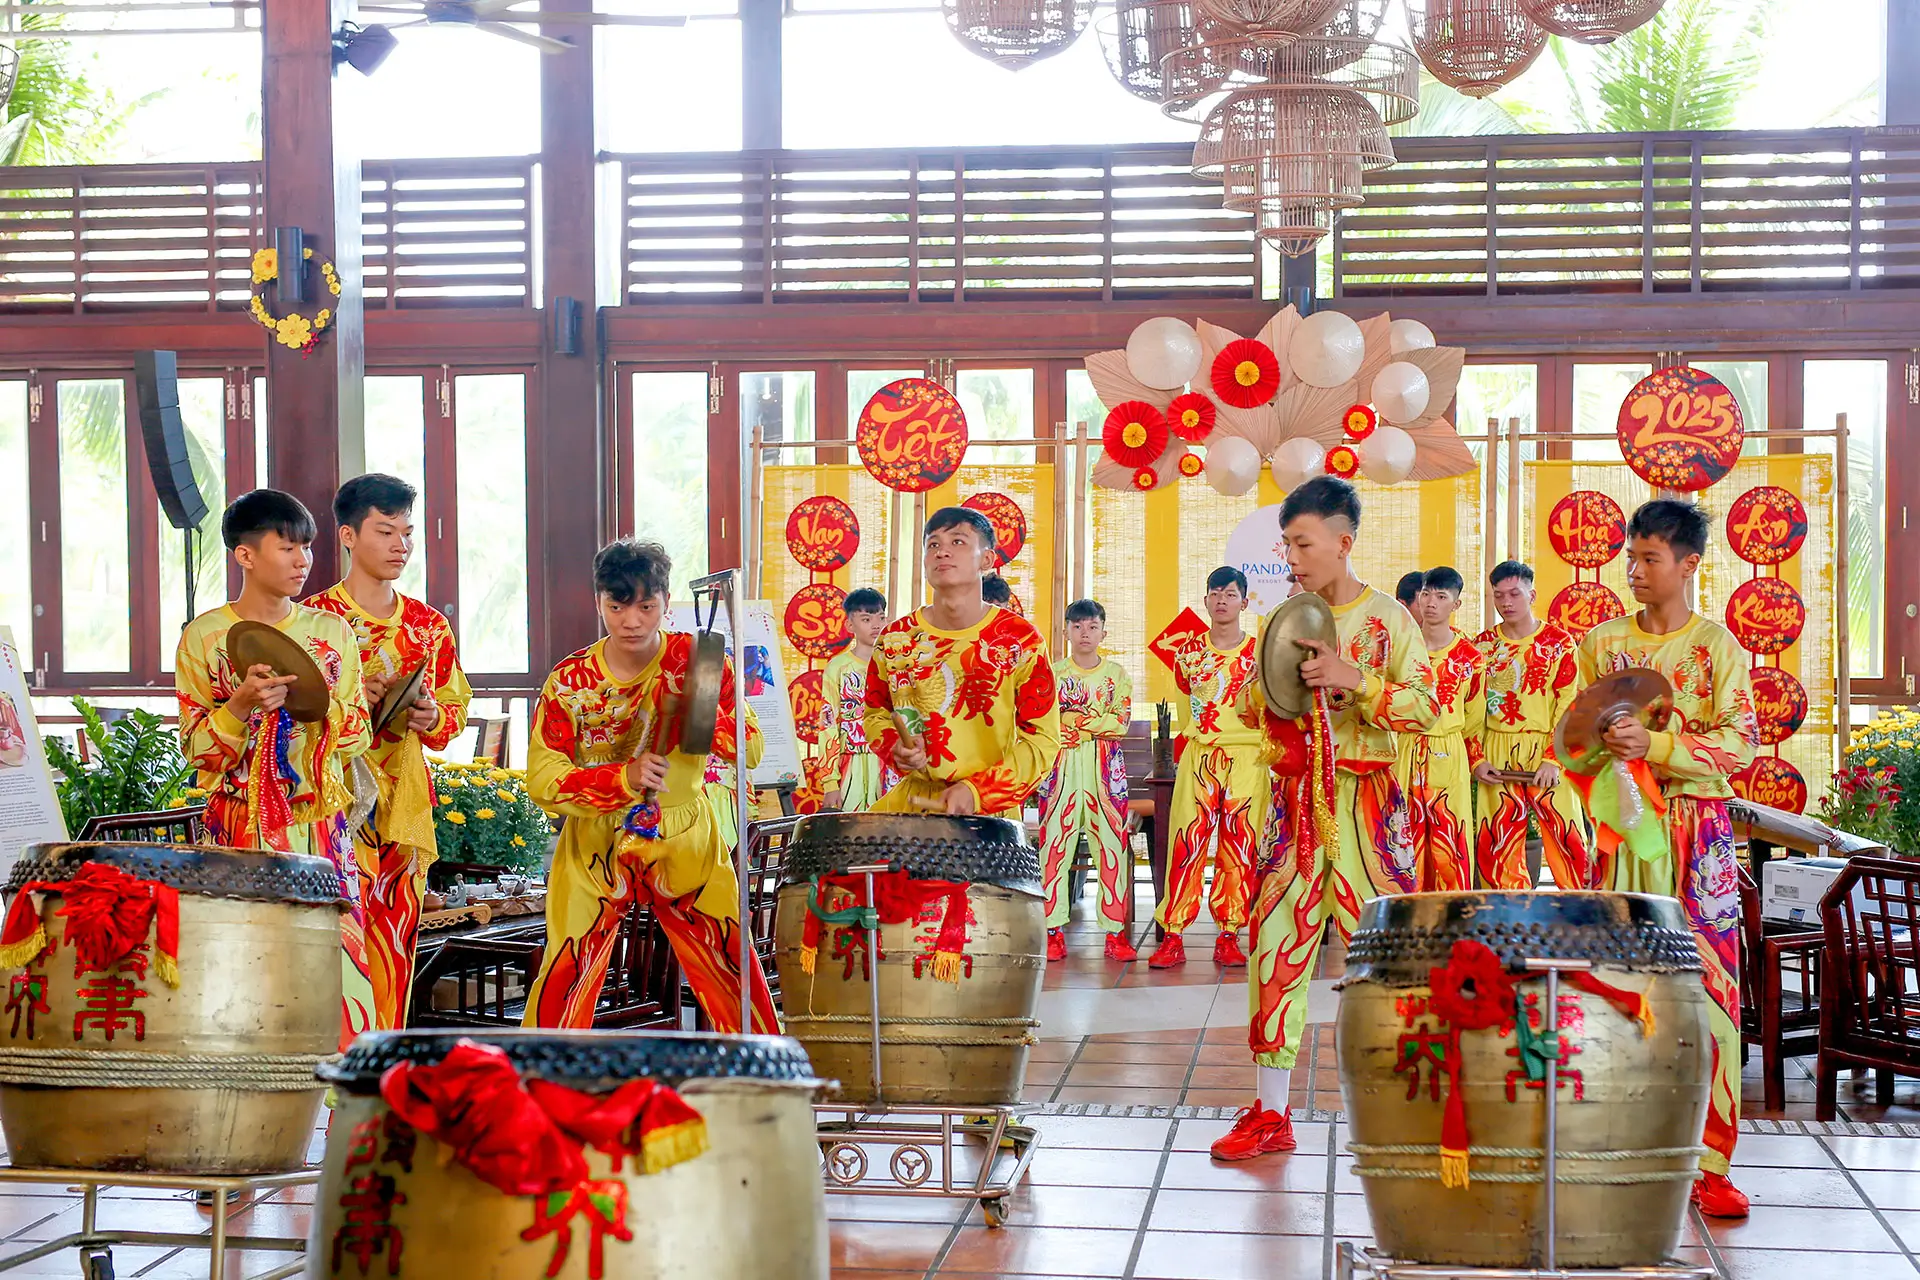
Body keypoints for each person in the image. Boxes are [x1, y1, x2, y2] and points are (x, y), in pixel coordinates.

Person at [1215, 476, 1437, 1161]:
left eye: (1302, 542)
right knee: (1274, 951)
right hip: (1290, 807)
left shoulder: (1389, 622)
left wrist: (1357, 680)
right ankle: (1272, 1112)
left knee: (1387, 956)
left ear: (1343, 542)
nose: (1292, 557)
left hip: (1368, 807)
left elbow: (1427, 710)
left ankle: (1409, 1107)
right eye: (1286, 545)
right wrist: (1266, 680)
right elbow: (1251, 710)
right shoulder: (1286, 618)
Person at [1570, 500, 1756, 1219]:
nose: (1636, 569)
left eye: (1650, 558)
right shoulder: (1602, 644)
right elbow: (1573, 736)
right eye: (1631, 556)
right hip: (1622, 827)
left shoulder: (1718, 647)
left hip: (1696, 831)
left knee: (1711, 986)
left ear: (1689, 565)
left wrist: (1662, 748)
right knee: (1614, 976)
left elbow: (1740, 742)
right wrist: (1601, 753)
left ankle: (1712, 1162)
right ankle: (1612, 1143)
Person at [521, 538, 776, 1034]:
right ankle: (545, 1087)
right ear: (598, 601)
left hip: (685, 830)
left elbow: (752, 748)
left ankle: (769, 1082)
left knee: (728, 957)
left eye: (646, 606)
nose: (631, 621)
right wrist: (622, 778)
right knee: (568, 965)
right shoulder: (569, 681)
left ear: (665, 601)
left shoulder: (699, 660)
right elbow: (543, 780)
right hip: (596, 836)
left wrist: (698, 714)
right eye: (616, 607)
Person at [174, 489, 376, 1050]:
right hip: (237, 829)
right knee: (240, 971)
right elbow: (198, 750)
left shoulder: (332, 633)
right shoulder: (203, 637)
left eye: (306, 548)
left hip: (318, 825)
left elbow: (357, 728)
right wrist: (240, 706)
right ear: (244, 556)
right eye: (287, 547)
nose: (302, 561)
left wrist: (309, 706)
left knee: (340, 969)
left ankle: (347, 1112)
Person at [310, 474, 472, 1031]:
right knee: (334, 935)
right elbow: (290, 722)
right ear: (348, 536)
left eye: (407, 532)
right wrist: (351, 700)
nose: (401, 544)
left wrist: (432, 717)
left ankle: (378, 1063)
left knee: (395, 937)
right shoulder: (315, 624)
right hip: (332, 800)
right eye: (386, 531)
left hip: (402, 803)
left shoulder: (429, 626)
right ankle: (331, 1068)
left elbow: (453, 712)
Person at [864, 507, 1059, 818]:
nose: (942, 552)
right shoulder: (895, 639)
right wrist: (895, 749)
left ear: (987, 559)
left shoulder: (1020, 640)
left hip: (988, 812)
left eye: (958, 542)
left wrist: (977, 791)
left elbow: (1043, 740)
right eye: (933, 544)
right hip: (914, 806)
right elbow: (876, 715)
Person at [1150, 566, 1264, 970]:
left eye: (1230, 594)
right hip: (1200, 757)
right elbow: (1186, 707)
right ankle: (1174, 934)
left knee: (1240, 847)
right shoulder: (1189, 653)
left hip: (1248, 759)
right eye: (1215, 593)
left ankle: (1229, 934)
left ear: (1244, 603)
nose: (1222, 600)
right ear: (1205, 601)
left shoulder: (1259, 654)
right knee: (1187, 843)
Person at [1471, 561, 1594, 889]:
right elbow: (1469, 709)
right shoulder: (1481, 647)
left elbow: (1569, 706)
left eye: (1514, 594)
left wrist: (1553, 758)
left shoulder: (1559, 643)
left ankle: (1579, 919)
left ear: (1532, 594)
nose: (1506, 602)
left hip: (1546, 747)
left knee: (1568, 839)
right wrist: (1477, 759)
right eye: (1498, 595)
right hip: (1496, 747)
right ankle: (1507, 921)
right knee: (1496, 842)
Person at [1036, 599, 1135, 962]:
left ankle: (1114, 933)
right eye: (1077, 627)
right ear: (1065, 632)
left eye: (1092, 626)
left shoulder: (1117, 675)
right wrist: (1091, 726)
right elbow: (1043, 722)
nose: (1085, 633)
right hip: (1061, 773)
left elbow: (1120, 723)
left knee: (1111, 849)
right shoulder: (1052, 674)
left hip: (1105, 776)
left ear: (1103, 632)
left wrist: (1075, 726)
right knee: (1053, 851)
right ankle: (1052, 930)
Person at [1397, 566, 1483, 893]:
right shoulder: (1401, 649)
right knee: (1404, 838)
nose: (1431, 603)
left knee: (1451, 840)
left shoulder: (1470, 658)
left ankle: (1453, 918)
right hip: (1406, 749)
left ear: (1456, 605)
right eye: (1426, 594)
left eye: (1441, 596)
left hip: (1449, 752)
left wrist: (1475, 760)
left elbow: (1474, 718)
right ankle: (1406, 918)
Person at [819, 588, 892, 811]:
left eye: (880, 618)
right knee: (852, 834)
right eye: (866, 619)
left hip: (890, 763)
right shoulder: (837, 668)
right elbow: (828, 724)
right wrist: (830, 782)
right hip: (851, 763)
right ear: (850, 625)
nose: (876, 625)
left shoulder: (895, 665)